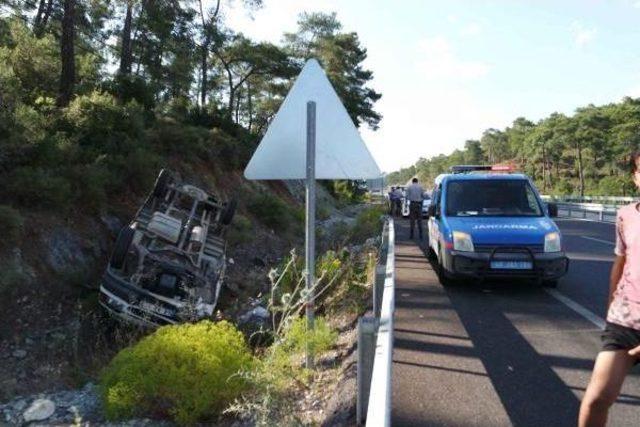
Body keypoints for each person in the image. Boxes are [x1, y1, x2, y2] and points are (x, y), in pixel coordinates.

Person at [579, 152, 640, 427]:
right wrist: (610, 307)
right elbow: (621, 261)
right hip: (624, 320)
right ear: (636, 177)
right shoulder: (626, 215)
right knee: (596, 399)